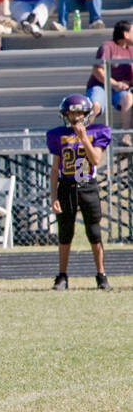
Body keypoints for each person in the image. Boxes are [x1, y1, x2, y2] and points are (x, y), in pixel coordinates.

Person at [47, 93, 111, 291]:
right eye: (70, 113)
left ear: (86, 114)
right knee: (65, 233)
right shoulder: (58, 135)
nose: (74, 117)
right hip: (67, 186)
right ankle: (62, 276)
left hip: (87, 185)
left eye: (78, 113)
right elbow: (55, 169)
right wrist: (53, 196)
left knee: (94, 231)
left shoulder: (97, 132)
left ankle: (101, 275)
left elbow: (95, 160)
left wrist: (83, 138)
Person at [85, 20, 133, 142]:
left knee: (128, 98)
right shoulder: (107, 46)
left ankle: (125, 136)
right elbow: (97, 71)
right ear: (126, 34)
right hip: (100, 85)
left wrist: (128, 83)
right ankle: (82, 135)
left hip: (119, 90)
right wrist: (114, 84)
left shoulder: (131, 50)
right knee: (95, 105)